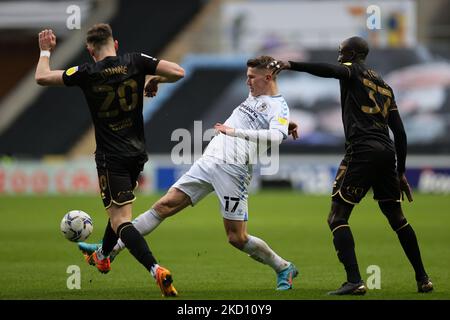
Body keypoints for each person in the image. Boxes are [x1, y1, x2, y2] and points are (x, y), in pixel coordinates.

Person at [79, 55, 300, 291]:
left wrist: (237, 131)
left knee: (237, 238)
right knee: (163, 206)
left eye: (251, 78)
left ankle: (283, 267)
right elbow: (265, 121)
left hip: (234, 170)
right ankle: (109, 250)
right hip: (210, 160)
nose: (248, 82)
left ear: (267, 78)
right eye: (247, 77)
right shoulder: (257, 95)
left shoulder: (278, 104)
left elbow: (276, 136)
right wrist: (158, 81)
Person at [272, 36, 433, 295]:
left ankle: (355, 281)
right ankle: (423, 278)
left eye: (343, 49)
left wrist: (291, 64)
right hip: (386, 153)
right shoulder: (385, 87)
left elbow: (329, 70)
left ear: (353, 53)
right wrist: (400, 171)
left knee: (337, 217)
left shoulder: (351, 70)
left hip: (362, 151)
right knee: (397, 218)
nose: (339, 51)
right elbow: (400, 133)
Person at [35, 24, 185, 297]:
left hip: (110, 155)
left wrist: (45, 51)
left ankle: (156, 269)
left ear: (90, 51)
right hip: (137, 153)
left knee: (120, 220)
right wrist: (155, 80)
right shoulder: (136, 61)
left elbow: (42, 78)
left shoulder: (86, 72)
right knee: (118, 208)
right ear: (115, 44)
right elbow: (178, 71)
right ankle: (104, 255)